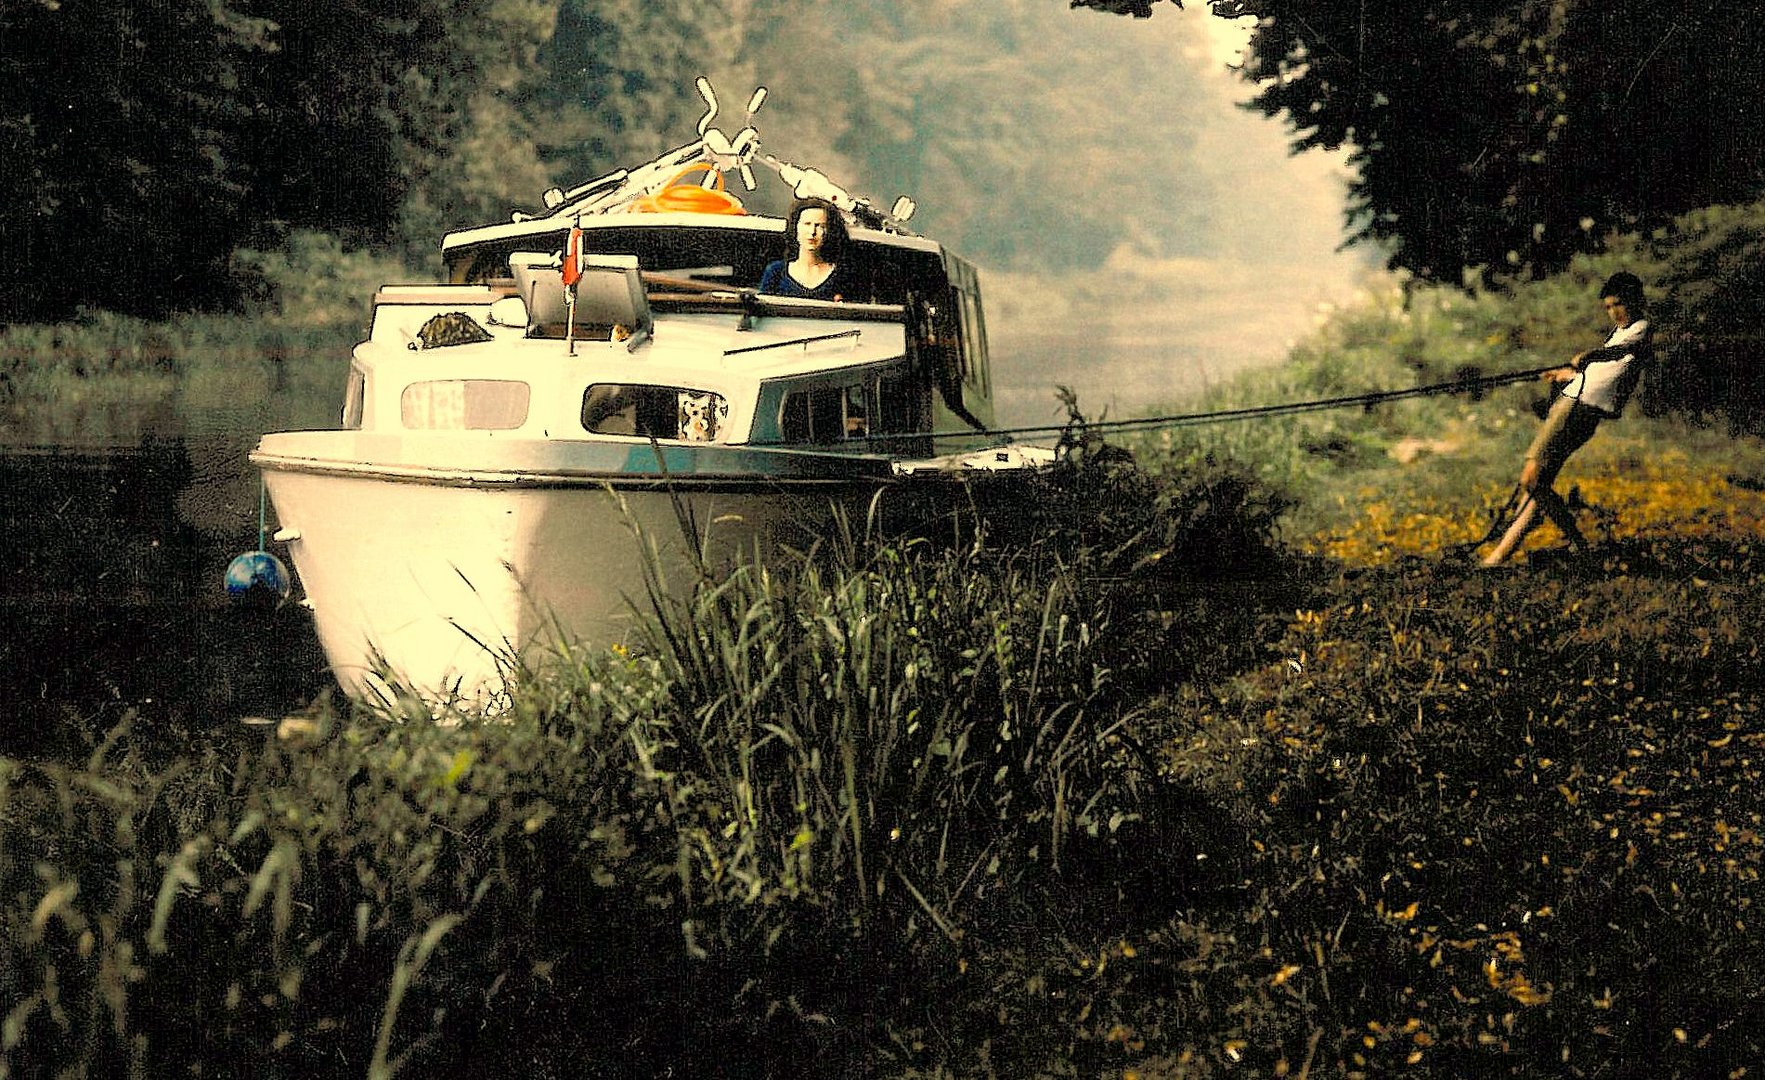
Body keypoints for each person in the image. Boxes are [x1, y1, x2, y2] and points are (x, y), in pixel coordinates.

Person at [1480, 272, 1654, 566]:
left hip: (1578, 410)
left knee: (1531, 480)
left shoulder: (1641, 329)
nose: (1614, 312)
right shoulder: (1617, 331)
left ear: (1636, 300)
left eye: (1619, 304)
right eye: (1608, 307)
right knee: (1537, 486)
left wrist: (1589, 354)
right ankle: (1496, 558)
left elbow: (1617, 354)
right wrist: (1568, 375)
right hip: (1572, 401)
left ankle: (1580, 547)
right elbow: (1602, 373)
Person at [758, 198, 852, 300]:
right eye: (807, 224)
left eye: (820, 226)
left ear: (829, 231)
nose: (812, 232)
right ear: (795, 228)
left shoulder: (842, 275)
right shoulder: (775, 272)